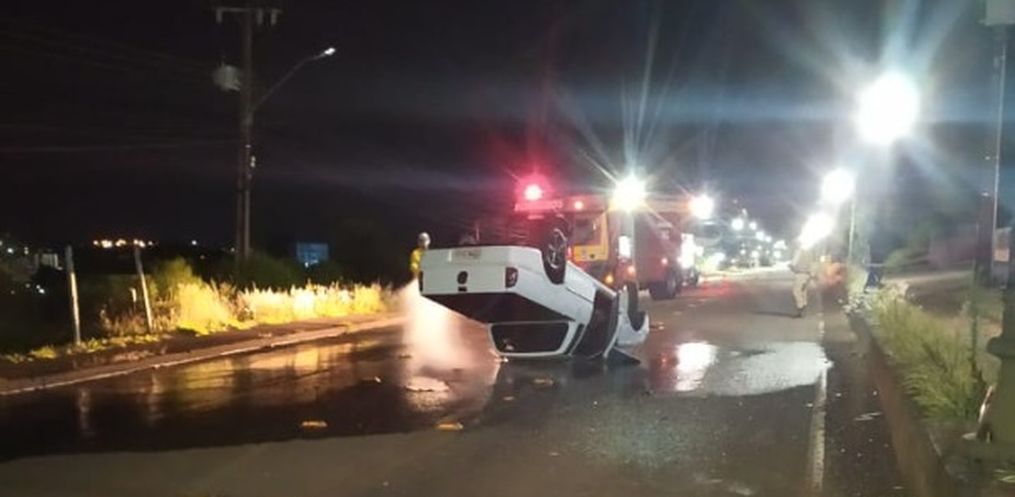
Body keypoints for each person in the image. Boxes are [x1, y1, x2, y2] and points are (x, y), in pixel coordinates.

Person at [790, 243, 817, 318]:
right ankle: (804, 305)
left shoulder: (798, 251)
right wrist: (812, 274)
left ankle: (800, 308)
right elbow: (812, 264)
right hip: (807, 275)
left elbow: (793, 263)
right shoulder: (810, 252)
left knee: (796, 291)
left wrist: (791, 267)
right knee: (803, 291)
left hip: (800, 274)